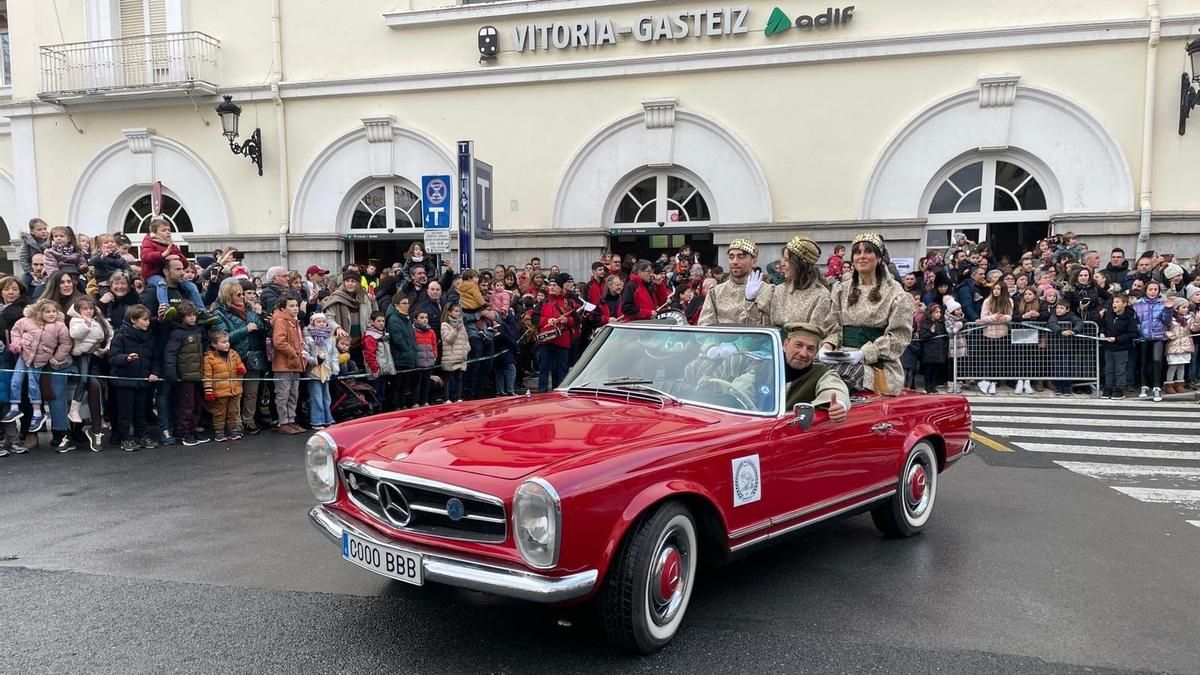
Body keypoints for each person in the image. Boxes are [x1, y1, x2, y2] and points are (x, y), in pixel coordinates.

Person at [821, 233, 914, 395]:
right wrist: (827, 347)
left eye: (868, 252)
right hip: (842, 356)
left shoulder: (895, 293)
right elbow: (833, 325)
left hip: (878, 366)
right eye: (857, 252)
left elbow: (899, 337)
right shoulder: (842, 289)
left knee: (839, 375)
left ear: (878, 258)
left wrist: (864, 353)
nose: (862, 257)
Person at [4, 298, 71, 437]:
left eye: (54, 311)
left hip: (40, 359)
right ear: (40, 312)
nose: (52, 314)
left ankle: (37, 413)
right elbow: (16, 330)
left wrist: (56, 357)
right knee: (15, 381)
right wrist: (17, 343)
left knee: (33, 386)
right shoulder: (26, 321)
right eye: (48, 311)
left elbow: (66, 343)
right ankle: (14, 406)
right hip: (24, 355)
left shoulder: (60, 326)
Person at [742, 236, 833, 332]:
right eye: (783, 259)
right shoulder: (778, 290)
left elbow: (816, 333)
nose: (782, 264)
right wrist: (750, 300)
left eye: (787, 260)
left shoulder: (820, 295)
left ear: (800, 264)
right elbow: (758, 327)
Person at [107, 304, 159, 451]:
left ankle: (141, 435)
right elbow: (112, 357)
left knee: (140, 411)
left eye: (148, 320)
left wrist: (154, 372)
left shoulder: (150, 338)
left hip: (142, 381)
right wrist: (126, 358)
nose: (148, 323)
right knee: (125, 412)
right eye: (144, 320)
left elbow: (155, 358)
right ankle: (125, 438)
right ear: (133, 320)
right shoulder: (121, 336)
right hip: (124, 381)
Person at [781, 322, 850, 421]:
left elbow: (835, 389)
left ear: (816, 353)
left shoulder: (821, 374)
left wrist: (839, 405)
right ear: (785, 345)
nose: (803, 354)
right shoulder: (766, 368)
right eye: (798, 345)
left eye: (810, 349)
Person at [67, 296, 111, 452]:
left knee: (99, 385)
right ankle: (74, 411)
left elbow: (105, 334)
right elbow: (76, 335)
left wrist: (103, 348)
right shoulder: (76, 320)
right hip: (80, 356)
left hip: (94, 357)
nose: (88, 311)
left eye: (90, 308)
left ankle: (97, 429)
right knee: (85, 380)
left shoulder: (97, 320)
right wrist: (86, 324)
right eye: (85, 309)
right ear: (79, 310)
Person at [139, 218, 206, 320]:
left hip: (169, 274)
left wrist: (177, 257)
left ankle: (201, 311)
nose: (168, 232)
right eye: (164, 230)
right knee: (162, 283)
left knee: (191, 286)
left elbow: (184, 262)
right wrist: (162, 255)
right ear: (154, 232)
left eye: (169, 230)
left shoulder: (171, 244)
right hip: (153, 274)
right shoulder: (149, 241)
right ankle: (165, 307)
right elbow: (145, 257)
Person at [163, 301, 208, 446]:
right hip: (185, 376)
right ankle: (183, 432)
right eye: (189, 316)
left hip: (198, 375)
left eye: (194, 315)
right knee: (185, 406)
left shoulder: (198, 330)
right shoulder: (177, 333)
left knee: (197, 404)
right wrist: (172, 373)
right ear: (182, 317)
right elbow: (171, 353)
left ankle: (192, 430)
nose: (192, 318)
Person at [699, 239, 759, 325]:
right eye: (731, 257)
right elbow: (705, 327)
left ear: (754, 262)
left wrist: (750, 302)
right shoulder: (715, 292)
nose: (735, 262)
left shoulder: (768, 291)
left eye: (741, 257)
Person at [271, 294, 307, 434]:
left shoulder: (294, 322)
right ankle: (283, 422)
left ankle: (291, 420)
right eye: (291, 306)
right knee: (283, 395)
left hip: (295, 363)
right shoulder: (281, 321)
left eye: (296, 305)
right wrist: (293, 353)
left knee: (293, 394)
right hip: (284, 364)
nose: (295, 308)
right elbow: (279, 342)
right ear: (283, 308)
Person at [203, 329, 246, 442]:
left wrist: (241, 367)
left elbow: (239, 363)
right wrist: (208, 390)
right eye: (223, 342)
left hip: (234, 389)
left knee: (233, 411)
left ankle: (232, 430)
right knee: (219, 413)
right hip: (220, 391)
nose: (227, 344)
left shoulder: (233, 354)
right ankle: (219, 431)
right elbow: (207, 376)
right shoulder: (209, 358)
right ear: (214, 344)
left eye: (227, 341)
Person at [536, 274, 575, 392]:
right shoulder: (543, 302)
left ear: (561, 287)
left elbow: (577, 320)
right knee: (544, 368)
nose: (551, 288)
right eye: (550, 285)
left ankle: (559, 393)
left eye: (555, 285)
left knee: (561, 370)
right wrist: (546, 321)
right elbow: (534, 318)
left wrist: (566, 320)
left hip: (562, 341)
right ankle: (542, 394)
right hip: (546, 340)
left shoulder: (569, 302)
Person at [1134, 280, 1171, 401]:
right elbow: (1135, 320)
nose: (1153, 292)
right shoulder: (1138, 304)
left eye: (1156, 289)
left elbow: (1167, 321)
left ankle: (1156, 387)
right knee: (1144, 361)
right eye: (1151, 289)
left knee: (1157, 360)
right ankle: (1143, 386)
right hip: (1143, 336)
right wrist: (1138, 331)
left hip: (1158, 336)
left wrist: (1168, 309)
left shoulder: (1162, 303)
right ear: (1146, 290)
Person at [303, 312, 339, 429]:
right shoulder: (308, 337)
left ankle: (328, 418)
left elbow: (334, 354)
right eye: (319, 322)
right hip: (314, 371)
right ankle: (317, 420)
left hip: (326, 370)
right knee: (316, 396)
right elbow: (305, 354)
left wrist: (335, 370)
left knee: (326, 397)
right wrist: (315, 360)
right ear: (312, 323)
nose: (322, 324)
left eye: (324, 322)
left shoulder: (330, 338)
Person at [1100, 292, 1138, 399]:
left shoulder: (1130, 317)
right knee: (1108, 369)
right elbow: (1103, 325)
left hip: (1121, 348)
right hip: (1108, 347)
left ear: (1124, 304)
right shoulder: (1109, 314)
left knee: (1120, 370)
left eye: (1117, 302)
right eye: (1113, 302)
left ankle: (1119, 389)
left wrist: (1117, 339)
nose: (1114, 304)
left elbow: (1133, 333)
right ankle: (1108, 388)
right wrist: (1102, 333)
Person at [386, 295, 417, 409]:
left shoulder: (406, 318)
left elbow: (412, 336)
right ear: (396, 305)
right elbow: (397, 339)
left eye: (407, 303)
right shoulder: (394, 318)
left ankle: (403, 404)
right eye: (404, 303)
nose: (407, 306)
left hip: (407, 356)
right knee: (397, 384)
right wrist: (408, 350)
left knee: (404, 384)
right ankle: (397, 405)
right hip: (400, 357)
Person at [362, 311, 394, 407]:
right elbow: (369, 354)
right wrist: (374, 369)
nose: (381, 323)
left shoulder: (383, 335)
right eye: (379, 321)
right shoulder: (370, 337)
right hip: (375, 371)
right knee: (375, 393)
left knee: (382, 391)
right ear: (372, 322)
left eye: (383, 321)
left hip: (383, 369)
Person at [1164, 300, 1194, 394]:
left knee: (1182, 365)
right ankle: (1169, 384)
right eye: (1183, 307)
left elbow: (1194, 328)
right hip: (1174, 345)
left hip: (1185, 344)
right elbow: (1164, 328)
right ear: (1176, 309)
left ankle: (1180, 384)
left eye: (1187, 307)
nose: (1186, 309)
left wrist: (1197, 319)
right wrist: (1169, 335)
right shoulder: (1171, 319)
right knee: (1173, 365)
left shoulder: (1189, 318)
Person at [440, 303, 468, 402]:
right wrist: (455, 330)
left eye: (459, 311)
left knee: (459, 378)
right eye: (456, 311)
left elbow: (465, 338)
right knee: (449, 378)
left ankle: (458, 397)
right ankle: (446, 398)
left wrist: (467, 348)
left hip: (461, 355)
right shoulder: (444, 325)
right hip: (450, 356)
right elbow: (448, 339)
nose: (458, 313)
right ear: (449, 312)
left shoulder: (461, 324)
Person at [412, 309, 438, 405]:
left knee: (426, 383)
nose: (424, 320)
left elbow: (434, 345)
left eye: (426, 318)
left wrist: (434, 355)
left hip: (429, 361)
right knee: (417, 383)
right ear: (416, 319)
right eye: (421, 318)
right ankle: (415, 402)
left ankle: (425, 401)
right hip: (418, 362)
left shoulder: (431, 332)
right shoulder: (413, 331)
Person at [19, 218, 50, 286]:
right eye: (39, 229)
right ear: (32, 231)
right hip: (32, 270)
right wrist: (30, 272)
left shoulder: (50, 241)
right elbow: (23, 259)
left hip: (48, 269)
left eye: (45, 229)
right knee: (23, 282)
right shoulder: (28, 242)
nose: (43, 231)